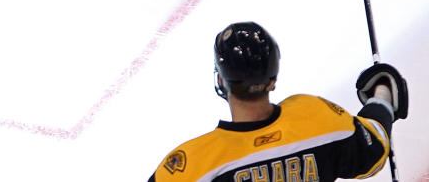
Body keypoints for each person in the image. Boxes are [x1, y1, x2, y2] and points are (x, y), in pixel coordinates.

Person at [148, 21, 408, 182]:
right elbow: (373, 147)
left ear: (221, 81)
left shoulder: (196, 164)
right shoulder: (317, 118)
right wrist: (383, 93)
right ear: (272, 77)